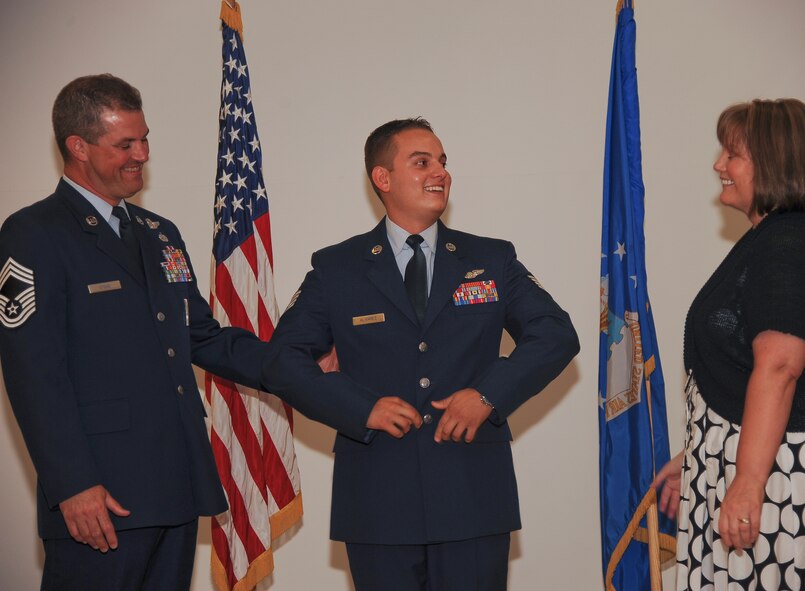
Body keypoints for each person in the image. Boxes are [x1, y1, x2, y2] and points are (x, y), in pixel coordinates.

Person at [261, 118, 579, 590]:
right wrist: (360, 406)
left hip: (472, 495)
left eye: (443, 162)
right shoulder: (337, 268)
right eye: (422, 162)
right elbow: (283, 360)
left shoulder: (490, 258)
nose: (440, 173)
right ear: (382, 178)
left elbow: (555, 334)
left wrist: (489, 395)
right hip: (377, 499)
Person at [0, 74, 275, 590]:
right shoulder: (34, 233)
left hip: (175, 484)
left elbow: (204, 337)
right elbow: (33, 373)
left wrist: (292, 363)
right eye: (124, 144)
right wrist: (74, 485)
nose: (141, 154)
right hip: (101, 496)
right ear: (77, 146)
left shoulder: (158, 233)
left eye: (144, 138)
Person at [653, 99, 805, 590]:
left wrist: (747, 482)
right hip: (746, 464)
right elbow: (739, 371)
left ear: (774, 162)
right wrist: (698, 455)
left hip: (776, 478)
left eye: (732, 154)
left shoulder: (787, 242)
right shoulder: (768, 238)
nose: (719, 165)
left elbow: (779, 367)